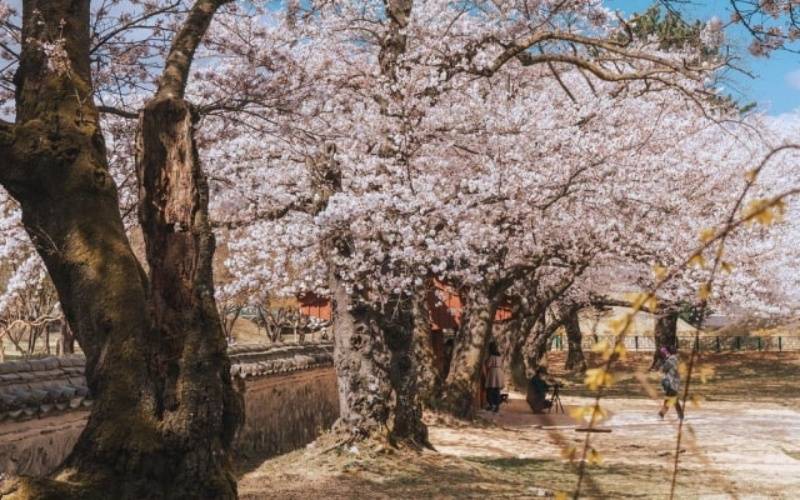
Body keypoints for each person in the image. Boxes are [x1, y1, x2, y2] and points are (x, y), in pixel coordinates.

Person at [658, 346, 684, 420]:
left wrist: (664, 361)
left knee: (669, 398)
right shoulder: (675, 359)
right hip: (673, 382)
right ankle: (680, 415)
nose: (663, 354)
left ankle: (661, 414)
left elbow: (663, 369)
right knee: (673, 399)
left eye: (664, 353)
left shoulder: (672, 359)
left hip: (672, 382)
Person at [484, 341, 504, 412]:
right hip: (499, 372)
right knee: (497, 390)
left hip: (493, 372)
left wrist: (486, 362)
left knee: (490, 389)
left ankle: (491, 405)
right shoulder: (499, 355)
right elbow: (502, 364)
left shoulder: (491, 356)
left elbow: (488, 364)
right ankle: (497, 406)